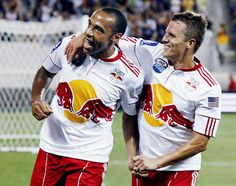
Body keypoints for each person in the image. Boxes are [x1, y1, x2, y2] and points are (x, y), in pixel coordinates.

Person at [65, 11, 222, 186]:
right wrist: (81, 37)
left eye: (171, 36)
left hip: (180, 172)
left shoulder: (208, 87)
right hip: (144, 167)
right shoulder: (151, 52)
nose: (164, 39)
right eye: (165, 32)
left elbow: (200, 142)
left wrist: (158, 162)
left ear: (190, 43)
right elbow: (111, 35)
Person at [30, 7, 143, 186]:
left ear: (116, 37)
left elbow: (130, 116)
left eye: (99, 30)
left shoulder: (130, 76)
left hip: (90, 157)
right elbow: (45, 72)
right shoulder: (70, 45)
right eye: (90, 25)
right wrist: (37, 99)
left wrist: (133, 154)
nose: (89, 32)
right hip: (51, 148)